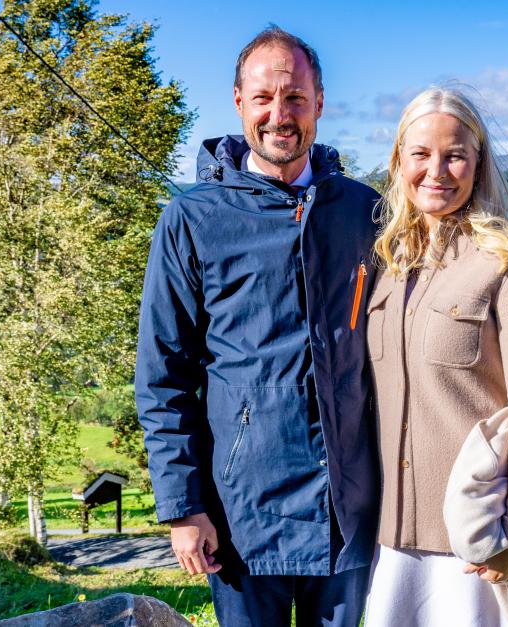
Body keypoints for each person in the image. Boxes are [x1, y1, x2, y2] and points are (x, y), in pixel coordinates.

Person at [135, 26, 381, 627]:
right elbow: (162, 376)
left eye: (295, 97)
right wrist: (183, 508)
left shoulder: (366, 211)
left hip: (349, 513)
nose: (281, 115)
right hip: (243, 520)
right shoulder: (193, 218)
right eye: (265, 98)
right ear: (239, 102)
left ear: (319, 103)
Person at [363, 87, 508, 626]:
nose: (437, 171)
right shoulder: (388, 262)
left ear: (479, 163)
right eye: (421, 155)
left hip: (477, 541)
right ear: (398, 162)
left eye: (455, 155)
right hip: (392, 540)